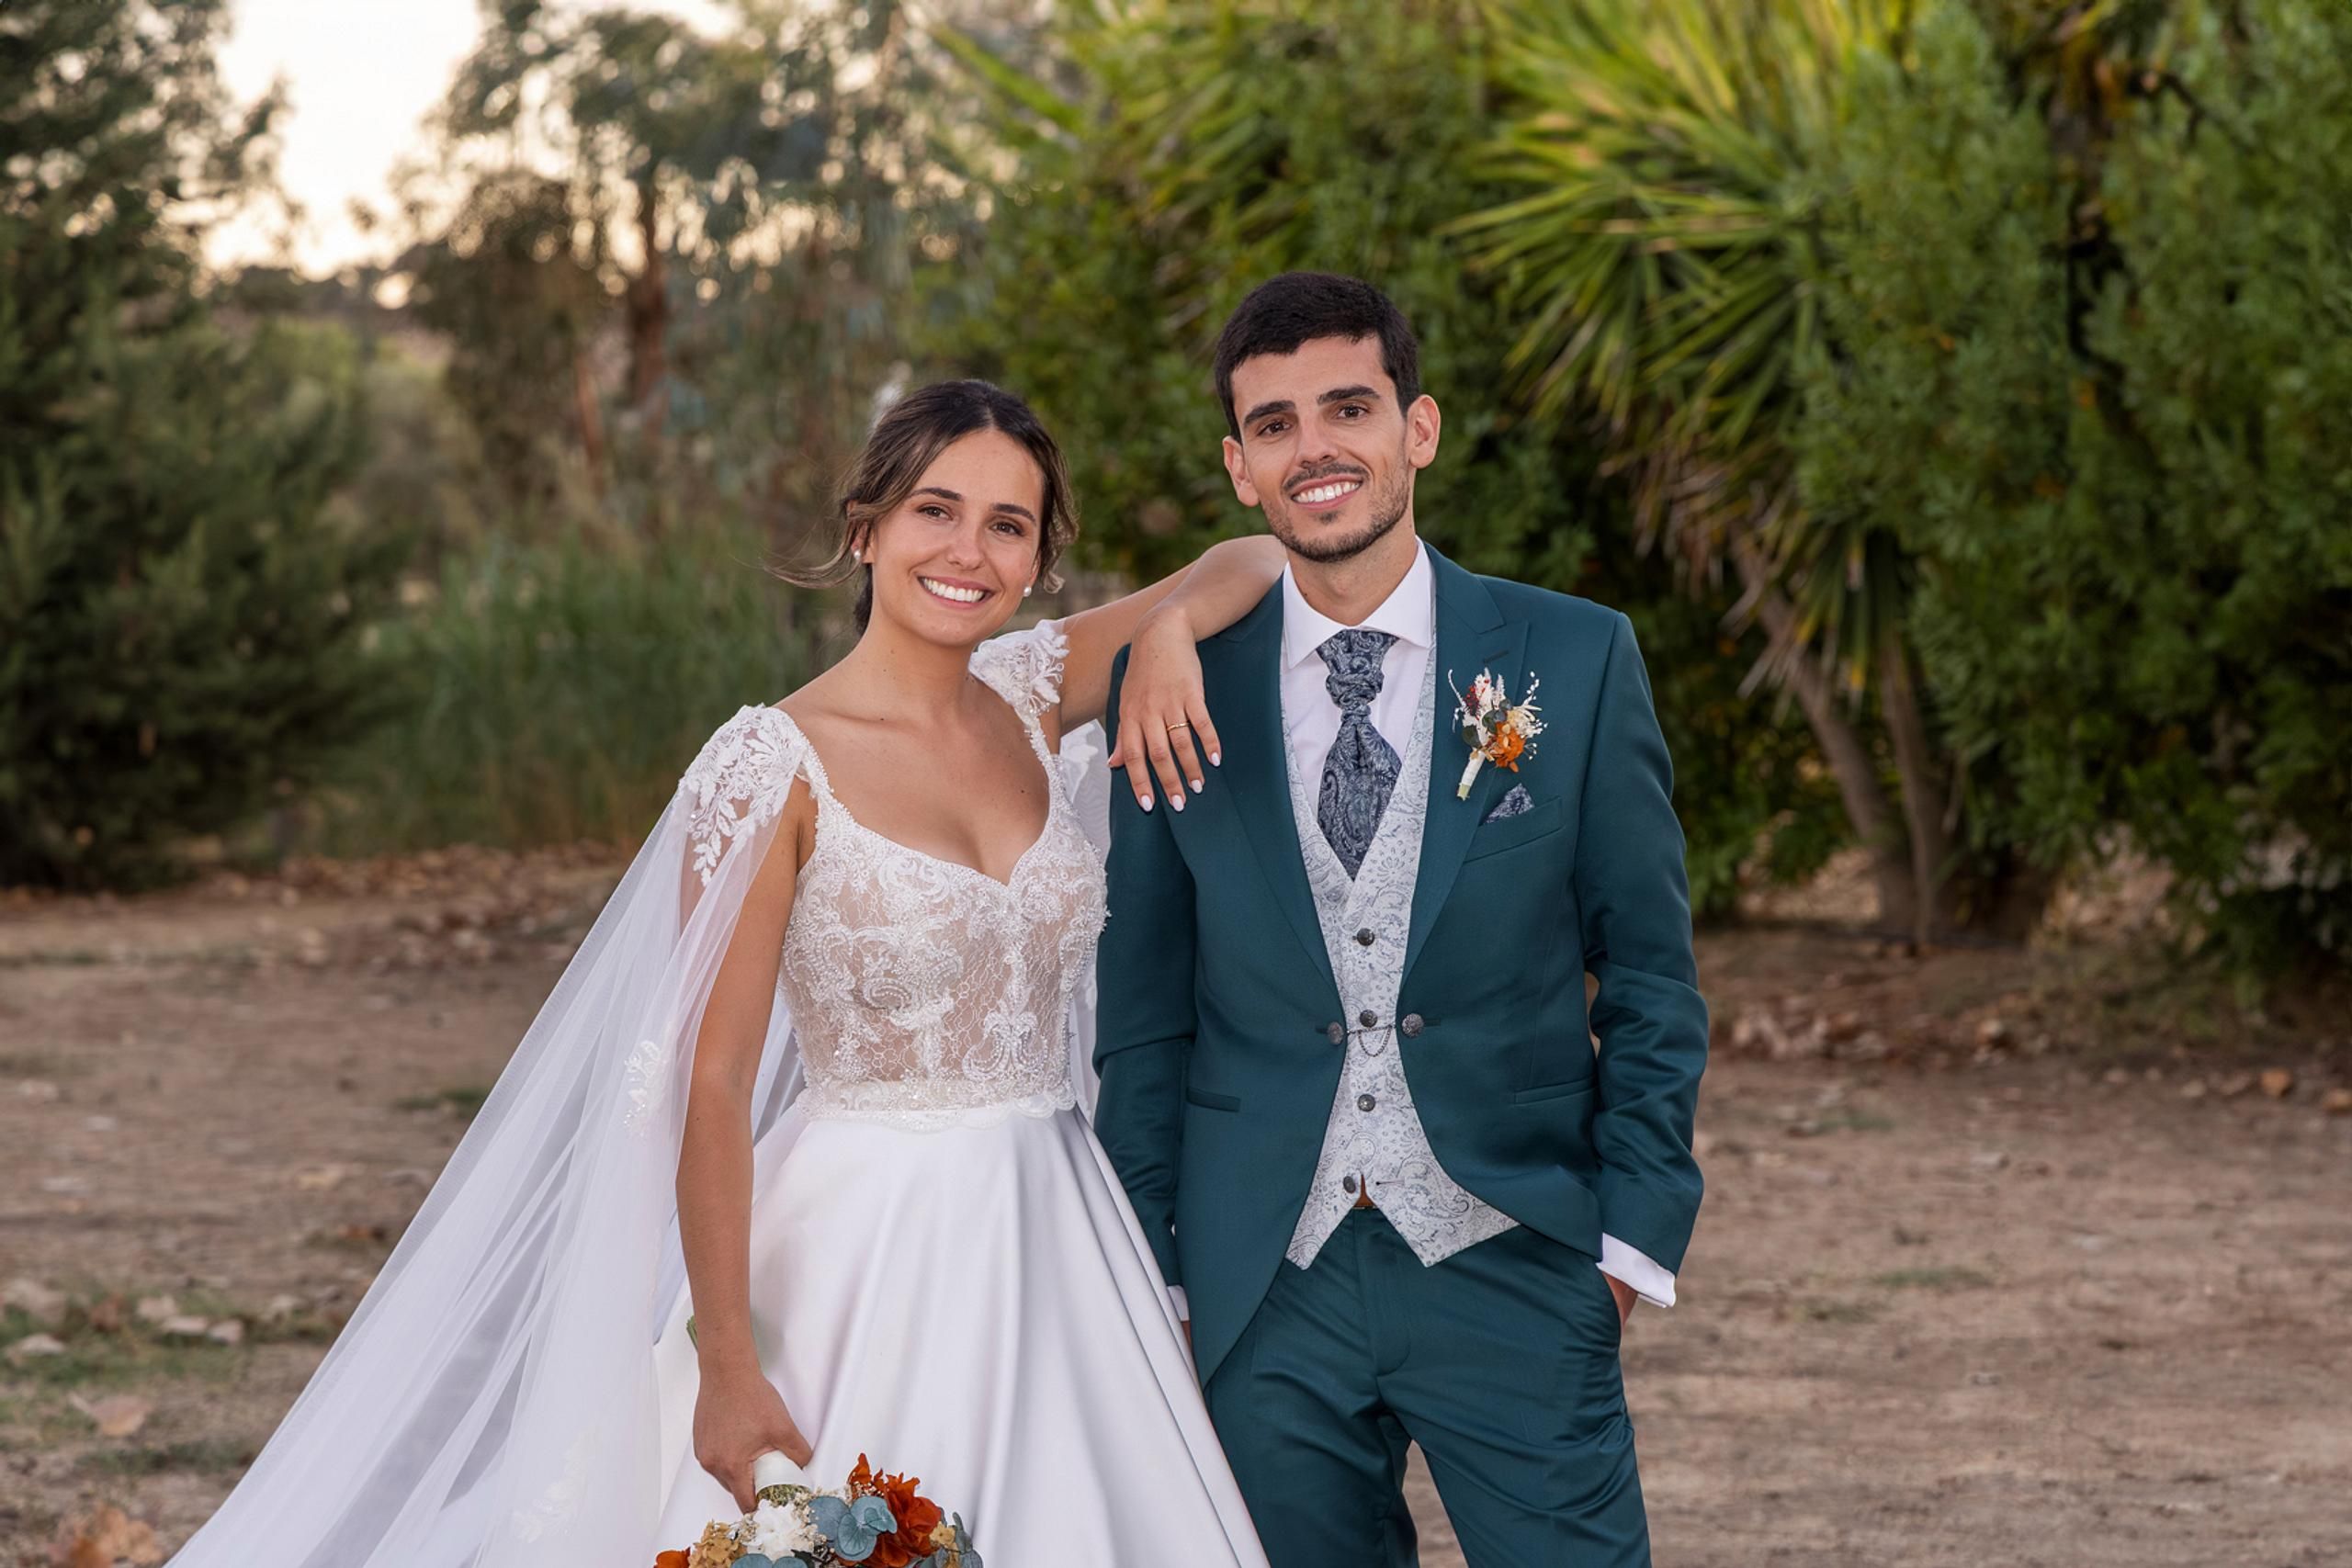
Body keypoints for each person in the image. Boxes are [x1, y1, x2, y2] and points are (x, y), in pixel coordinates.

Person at [166, 379, 1279, 1567]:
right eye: (934, 512)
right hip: (865, 1248)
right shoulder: (770, 766)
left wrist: (1162, 630)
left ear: (1039, 558)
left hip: (1059, 1229)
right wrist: (729, 1369)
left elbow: (1255, 555)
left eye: (1008, 525)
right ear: (865, 529)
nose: (969, 551)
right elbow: (711, 1082)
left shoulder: (1032, 688)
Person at [1093, 272, 1710, 1567]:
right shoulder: (1170, 692)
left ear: (1416, 429)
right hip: (1265, 1282)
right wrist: (1163, 1274)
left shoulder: (1575, 659)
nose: (1314, 448)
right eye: (1274, 425)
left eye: (1347, 408)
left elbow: (1650, 974)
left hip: (1515, 1255)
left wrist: (1628, 1243)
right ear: (1239, 469)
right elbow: (1144, 1024)